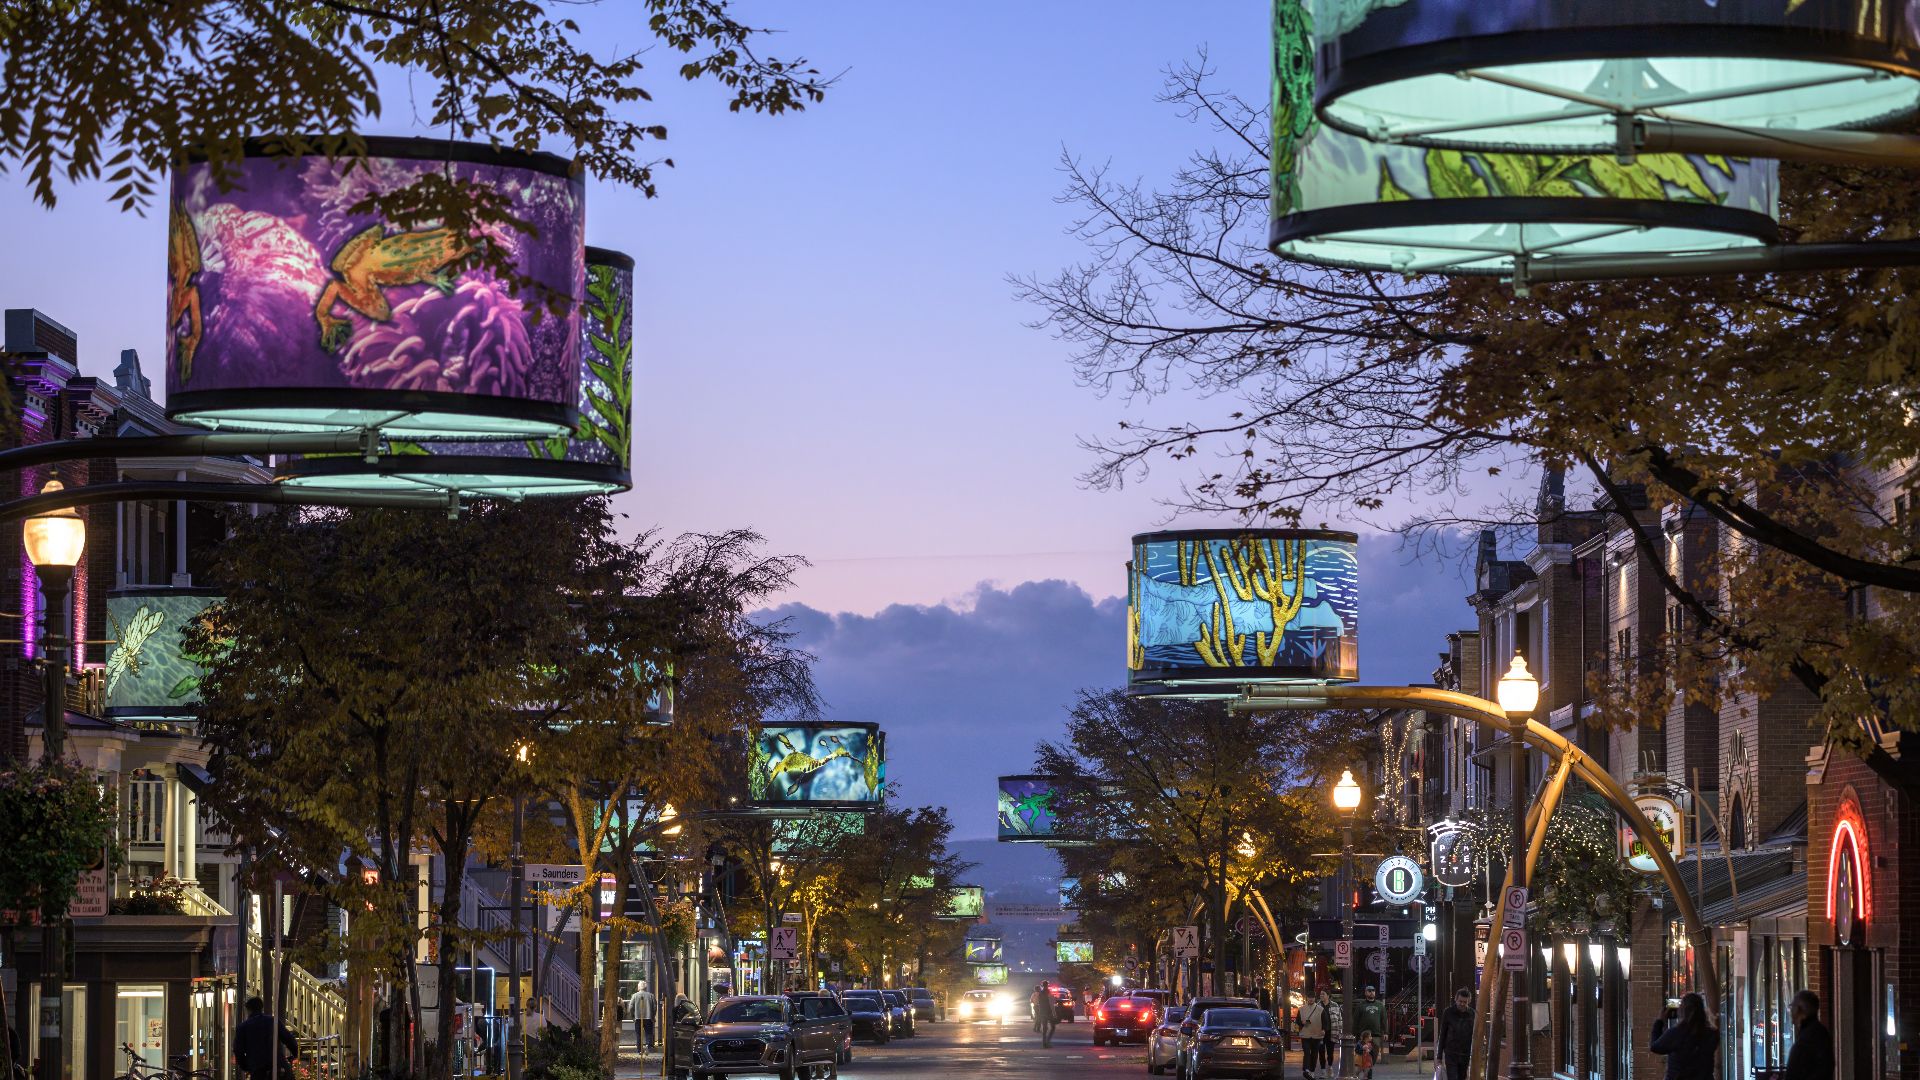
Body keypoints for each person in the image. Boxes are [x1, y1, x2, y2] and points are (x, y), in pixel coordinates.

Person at [1650, 991, 1717, 1080]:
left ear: (1682, 1011)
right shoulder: (1711, 1035)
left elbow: (1655, 1047)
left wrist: (1660, 1022)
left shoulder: (1675, 1034)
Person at [233, 996, 297, 1080]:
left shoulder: (243, 1027)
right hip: (279, 1066)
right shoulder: (272, 1021)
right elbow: (289, 1039)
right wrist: (295, 1054)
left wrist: (246, 1066)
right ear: (261, 1008)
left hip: (258, 1069)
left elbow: (238, 1050)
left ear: (248, 1010)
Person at [1782, 990, 1834, 1080]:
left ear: (1799, 1010)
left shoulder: (1808, 1038)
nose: (1790, 1011)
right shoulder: (1819, 1032)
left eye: (1791, 1006)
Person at [1436, 988, 1476, 1080]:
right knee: (1452, 1077)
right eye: (1460, 1001)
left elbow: (1474, 1035)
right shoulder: (1448, 1012)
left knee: (1462, 1077)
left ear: (1468, 1001)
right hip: (1451, 1053)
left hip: (1465, 1053)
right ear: (1456, 999)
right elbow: (1443, 1034)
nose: (1462, 1004)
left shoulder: (1472, 1014)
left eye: (1465, 1002)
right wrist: (1439, 1056)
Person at [1296, 989, 1330, 1080]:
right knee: (1307, 1052)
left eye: (1312, 998)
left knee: (1314, 1054)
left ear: (1315, 998)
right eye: (1309, 998)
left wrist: (1323, 1029)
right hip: (1305, 1034)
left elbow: (1325, 1021)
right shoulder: (1302, 1009)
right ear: (1306, 998)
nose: (1311, 999)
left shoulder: (1320, 1009)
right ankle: (1306, 1070)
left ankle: (1312, 1071)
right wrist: (1302, 1022)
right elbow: (1297, 1021)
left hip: (1317, 1035)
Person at [1353, 984, 1387, 1077]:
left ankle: (1367, 1073)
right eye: (1369, 990)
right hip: (1363, 1035)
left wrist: (1386, 1032)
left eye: (1373, 990)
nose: (1371, 992)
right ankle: (1366, 1075)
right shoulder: (1360, 1006)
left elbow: (1384, 1019)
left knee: (1374, 1057)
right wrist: (1354, 1034)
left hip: (1376, 1035)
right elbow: (1355, 1020)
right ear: (1365, 992)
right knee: (1362, 1057)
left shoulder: (1380, 1005)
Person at [627, 980, 658, 1054]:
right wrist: (653, 1016)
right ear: (645, 987)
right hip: (648, 1017)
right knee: (649, 1033)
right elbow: (654, 1007)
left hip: (638, 1017)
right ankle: (648, 1047)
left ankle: (639, 1050)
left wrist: (633, 1016)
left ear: (638, 987)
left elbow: (631, 1007)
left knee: (638, 1034)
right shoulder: (651, 995)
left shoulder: (634, 995)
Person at [1037, 981, 1061, 1048]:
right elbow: (1051, 1004)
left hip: (1042, 1012)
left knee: (1045, 1028)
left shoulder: (1040, 993)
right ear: (1047, 985)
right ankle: (1047, 1041)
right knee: (1052, 1027)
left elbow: (1039, 1003)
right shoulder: (1048, 992)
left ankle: (1044, 1043)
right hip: (1048, 1012)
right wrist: (1054, 1013)